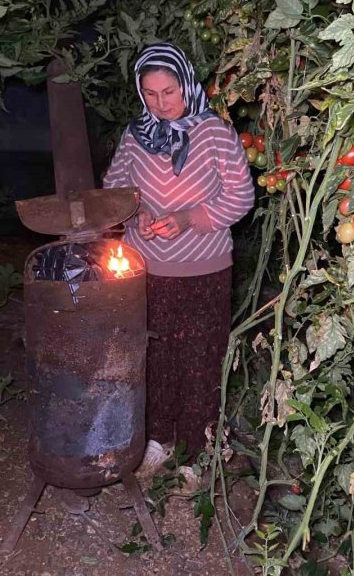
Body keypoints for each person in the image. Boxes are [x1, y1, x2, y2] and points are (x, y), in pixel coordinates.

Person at [102, 42, 254, 457]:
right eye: (150, 93)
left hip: (204, 269)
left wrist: (189, 218)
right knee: (153, 354)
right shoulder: (135, 137)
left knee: (200, 360)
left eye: (169, 91)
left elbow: (241, 197)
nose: (161, 102)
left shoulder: (216, 134)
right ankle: (155, 440)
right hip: (145, 268)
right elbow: (116, 190)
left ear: (186, 84)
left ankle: (194, 450)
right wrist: (139, 215)